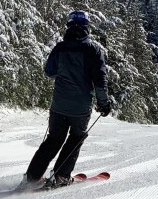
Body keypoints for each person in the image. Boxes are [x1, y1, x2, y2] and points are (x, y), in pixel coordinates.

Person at [23, 10, 112, 187]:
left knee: (53, 139)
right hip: (80, 107)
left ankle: (32, 177)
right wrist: (104, 104)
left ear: (68, 26)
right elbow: (100, 82)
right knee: (76, 138)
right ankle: (61, 176)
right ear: (87, 27)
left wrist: (65, 72)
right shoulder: (93, 50)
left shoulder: (60, 48)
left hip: (58, 104)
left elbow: (49, 72)